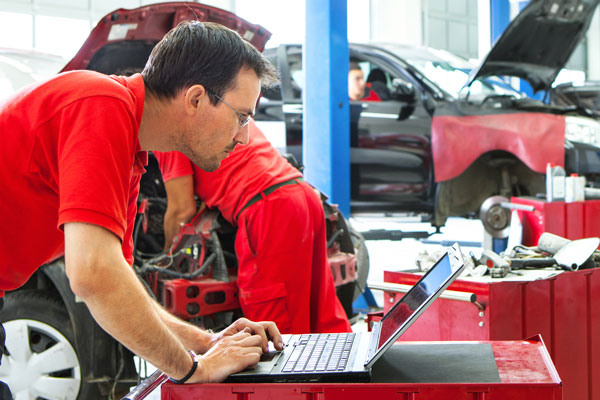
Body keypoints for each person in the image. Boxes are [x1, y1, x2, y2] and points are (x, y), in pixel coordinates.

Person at [0, 21, 284, 390]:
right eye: (242, 116)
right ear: (196, 99)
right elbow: (93, 276)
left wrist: (206, 342)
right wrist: (193, 370)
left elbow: (117, 282)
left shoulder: (129, 145)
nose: (245, 137)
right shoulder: (101, 106)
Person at [154, 120, 352, 335]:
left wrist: (165, 261)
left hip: (268, 209)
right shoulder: (214, 97)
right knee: (321, 310)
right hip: (301, 194)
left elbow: (181, 211)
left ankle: (286, 368)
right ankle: (349, 365)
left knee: (273, 318)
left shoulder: (166, 128)